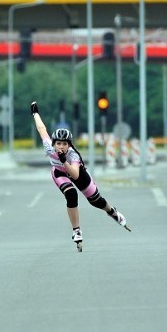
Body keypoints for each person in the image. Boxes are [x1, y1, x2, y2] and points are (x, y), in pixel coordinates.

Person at [30, 101, 130, 252]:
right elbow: (41, 128)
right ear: (54, 143)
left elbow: (75, 174)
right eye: (59, 144)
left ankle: (112, 212)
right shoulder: (48, 147)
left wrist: (64, 160)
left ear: (69, 145)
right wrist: (35, 113)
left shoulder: (72, 154)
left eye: (65, 144)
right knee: (71, 194)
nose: (61, 147)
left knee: (96, 201)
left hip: (77, 172)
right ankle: (76, 230)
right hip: (59, 172)